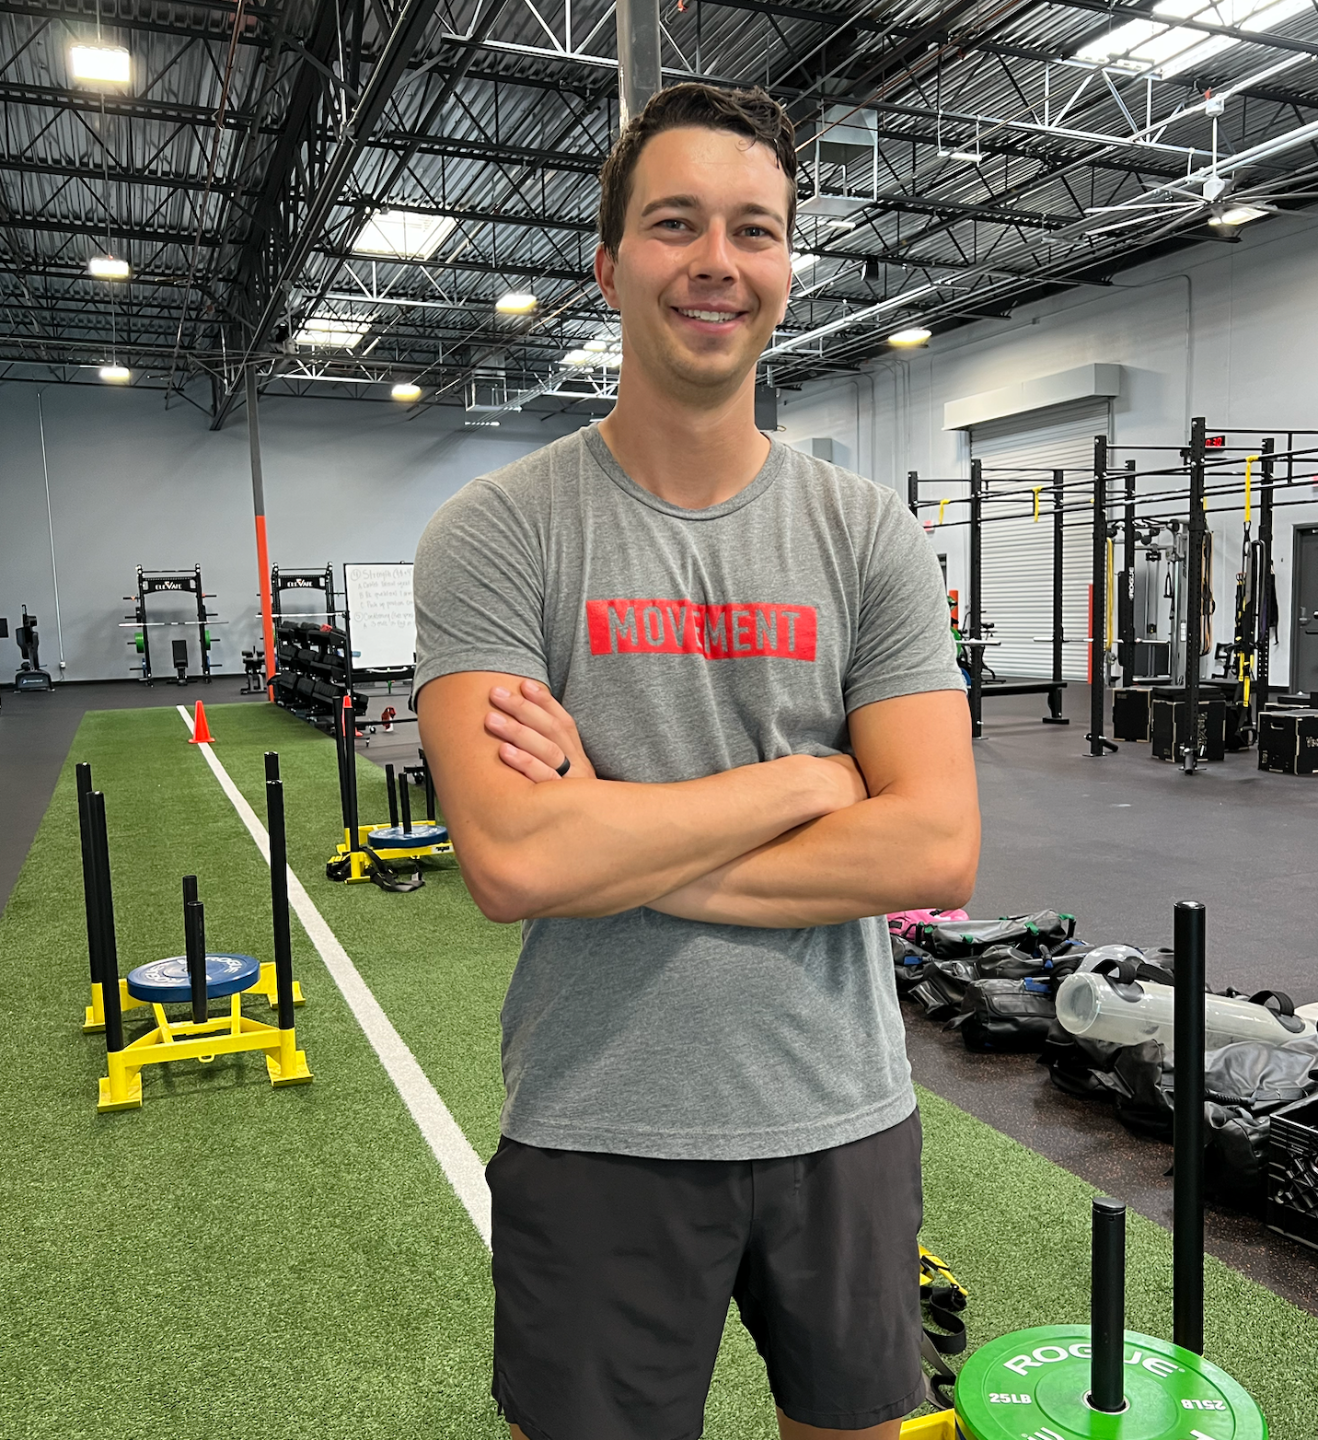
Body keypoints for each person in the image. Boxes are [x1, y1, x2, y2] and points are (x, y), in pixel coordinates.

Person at [413, 82, 980, 1440]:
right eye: (674, 224)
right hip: (596, 1119)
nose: (716, 261)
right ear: (608, 266)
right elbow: (512, 861)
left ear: (786, 269)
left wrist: (606, 830)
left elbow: (933, 848)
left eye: (753, 229)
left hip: (840, 1114)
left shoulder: (867, 536)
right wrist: (807, 784)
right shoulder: (497, 533)